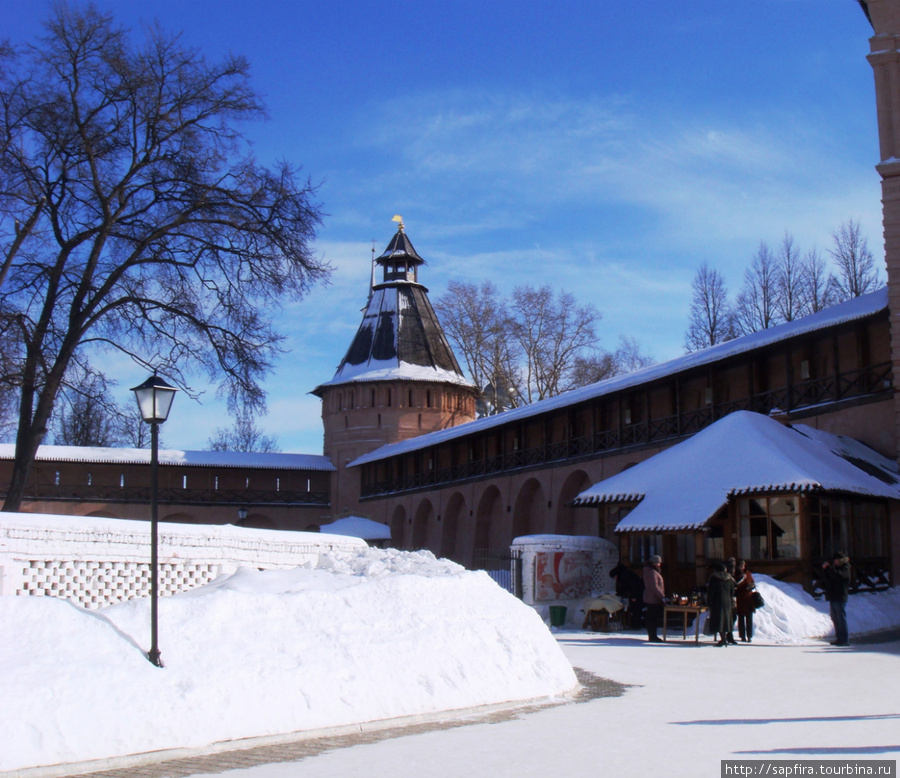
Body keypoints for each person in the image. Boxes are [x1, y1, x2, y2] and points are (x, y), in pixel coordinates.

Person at [822, 551, 851, 646]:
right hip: (833, 596)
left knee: (841, 618)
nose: (835, 562)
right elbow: (829, 577)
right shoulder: (836, 569)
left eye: (836, 560)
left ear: (841, 560)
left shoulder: (845, 569)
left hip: (840, 596)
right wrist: (826, 570)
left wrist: (829, 569)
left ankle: (844, 639)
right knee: (835, 618)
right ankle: (839, 638)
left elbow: (838, 576)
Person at [706, 561, 736, 646]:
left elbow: (711, 591)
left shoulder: (714, 578)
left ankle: (723, 639)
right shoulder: (730, 579)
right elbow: (732, 591)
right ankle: (725, 638)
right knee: (726, 620)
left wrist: (709, 601)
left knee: (718, 620)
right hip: (727, 602)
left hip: (717, 602)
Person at [610, 558, 645, 628]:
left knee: (636, 608)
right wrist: (619, 593)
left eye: (614, 577)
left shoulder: (624, 575)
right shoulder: (623, 573)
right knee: (635, 608)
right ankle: (634, 624)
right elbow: (625, 586)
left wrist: (633, 596)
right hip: (637, 591)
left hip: (637, 592)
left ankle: (636, 625)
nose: (615, 579)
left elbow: (632, 585)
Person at [643, 555, 666, 643]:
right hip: (652, 598)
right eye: (658, 563)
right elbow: (654, 586)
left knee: (652, 618)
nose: (659, 565)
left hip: (652, 597)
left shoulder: (651, 571)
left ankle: (653, 635)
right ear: (654, 563)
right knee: (652, 618)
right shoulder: (651, 572)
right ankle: (652, 636)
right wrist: (661, 596)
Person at [733, 559, 755, 643]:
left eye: (744, 566)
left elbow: (753, 582)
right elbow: (736, 585)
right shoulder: (737, 574)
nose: (743, 567)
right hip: (741, 599)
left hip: (749, 599)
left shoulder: (748, 573)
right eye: (741, 566)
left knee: (749, 618)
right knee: (741, 618)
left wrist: (751, 586)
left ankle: (749, 636)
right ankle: (742, 636)